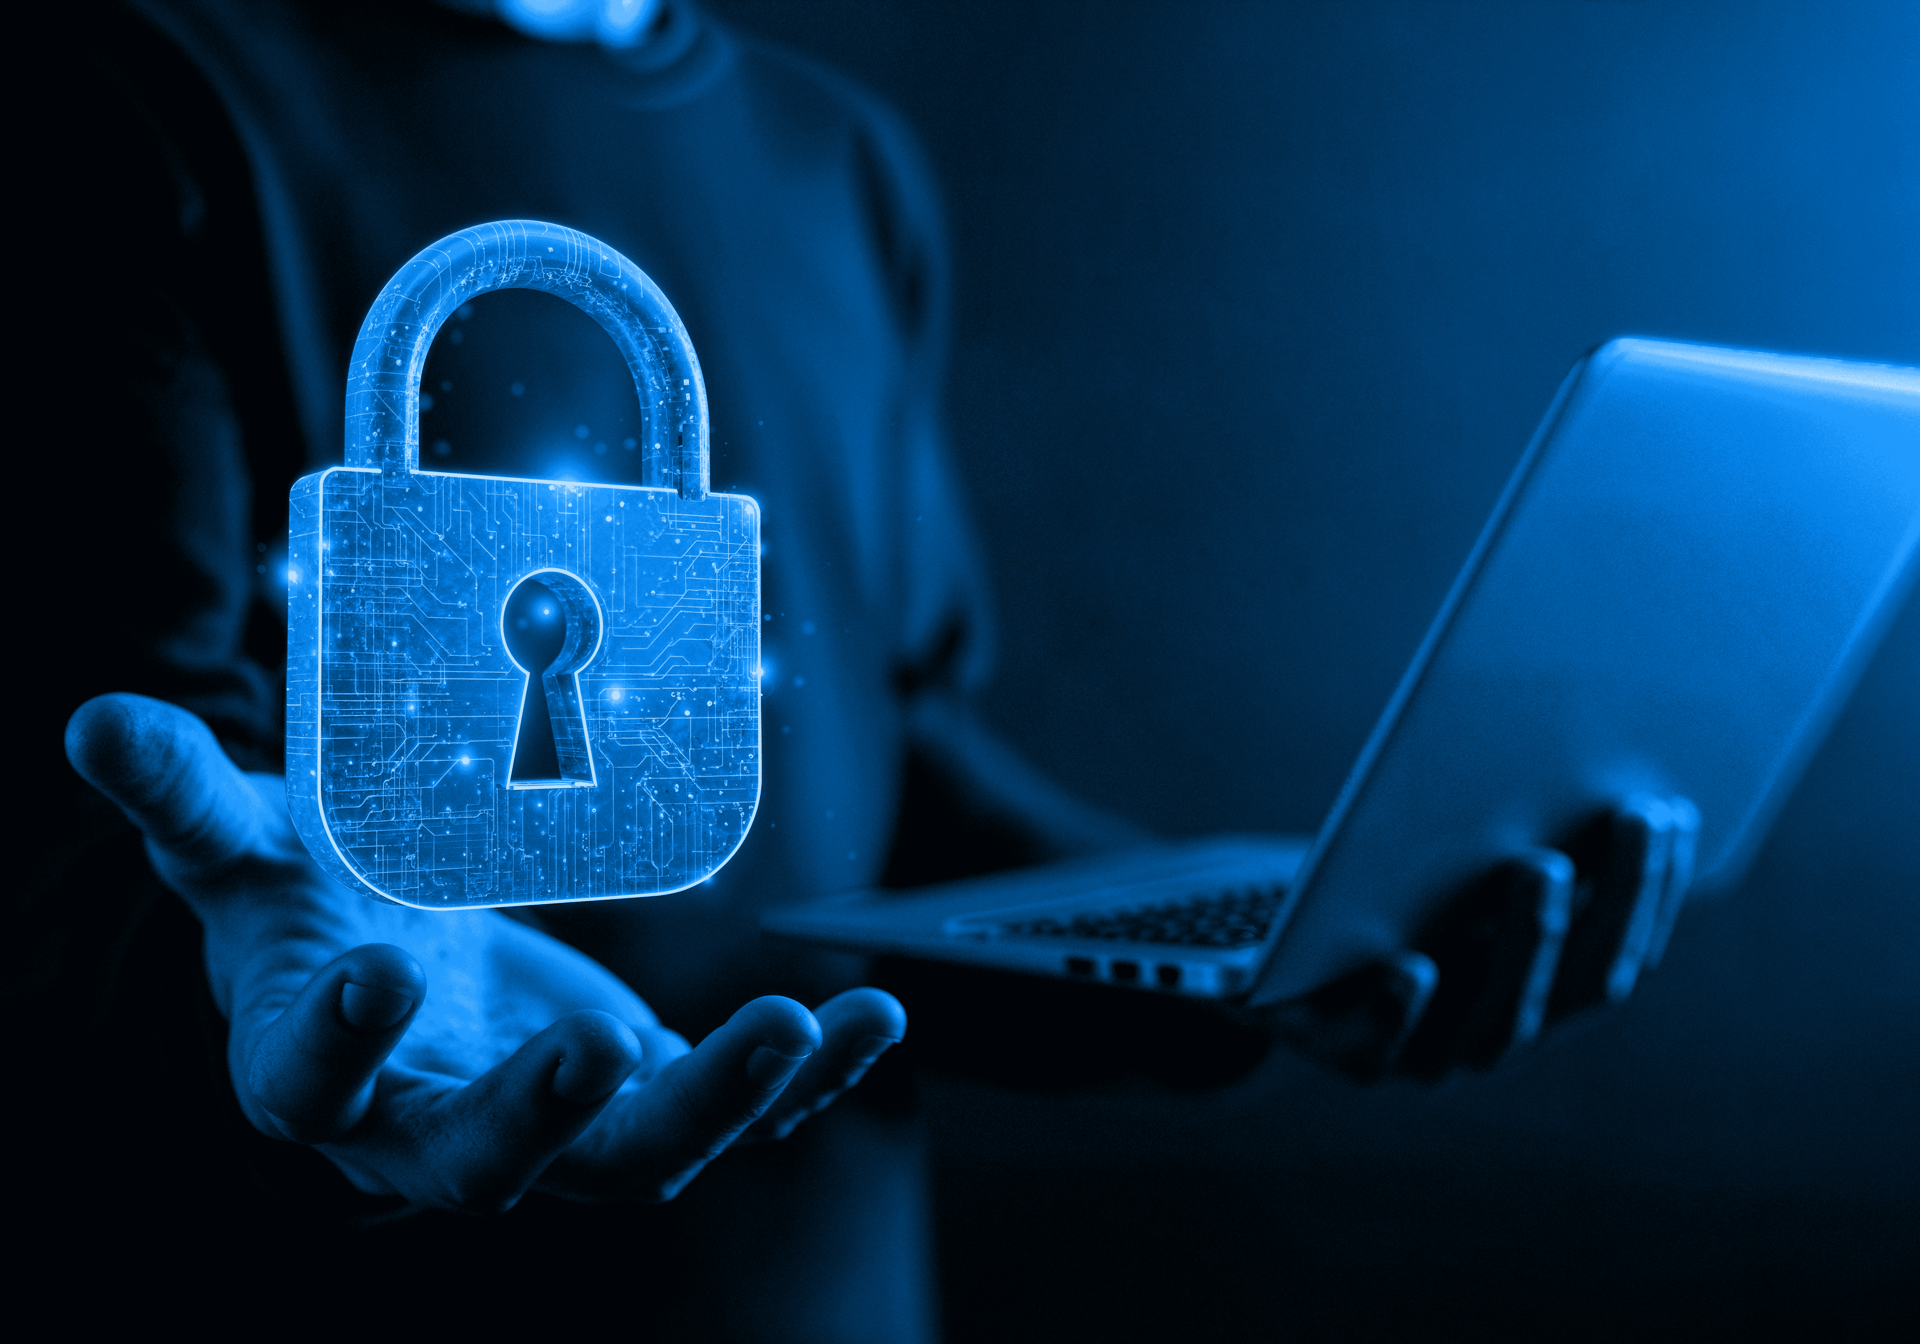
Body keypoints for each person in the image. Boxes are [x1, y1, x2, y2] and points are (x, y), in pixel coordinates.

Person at [24, 0, 1690, 1335]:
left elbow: (881, 787)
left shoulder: (835, 156)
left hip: (823, 1292)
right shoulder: (128, 93)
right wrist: (280, 1048)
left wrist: (1255, 939)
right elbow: (105, 827)